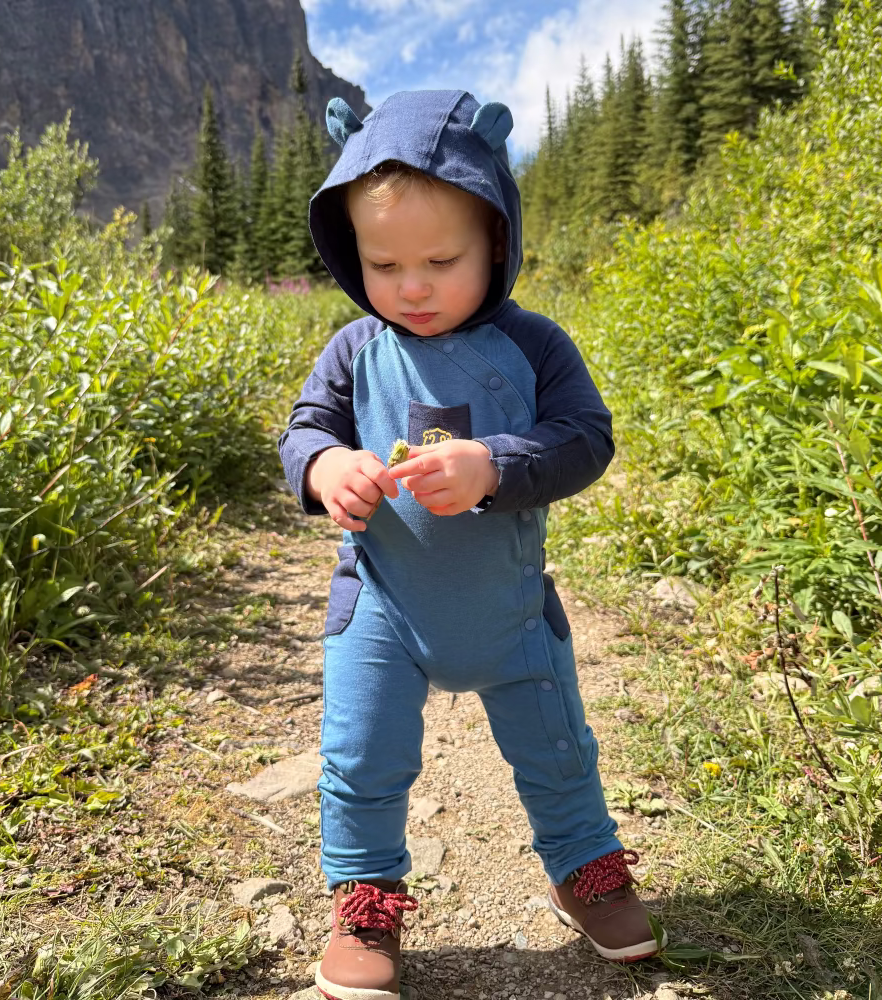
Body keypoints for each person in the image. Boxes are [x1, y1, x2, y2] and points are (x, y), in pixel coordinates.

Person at [278, 90, 664, 1000]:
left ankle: (586, 867)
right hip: (381, 608)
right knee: (361, 754)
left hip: (510, 607)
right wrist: (326, 465)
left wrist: (494, 465)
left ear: (496, 240)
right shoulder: (352, 351)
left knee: (558, 747)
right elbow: (302, 431)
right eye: (383, 263)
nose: (412, 286)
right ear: (351, 257)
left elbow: (586, 437)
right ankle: (366, 895)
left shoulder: (533, 345)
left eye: (441, 260)